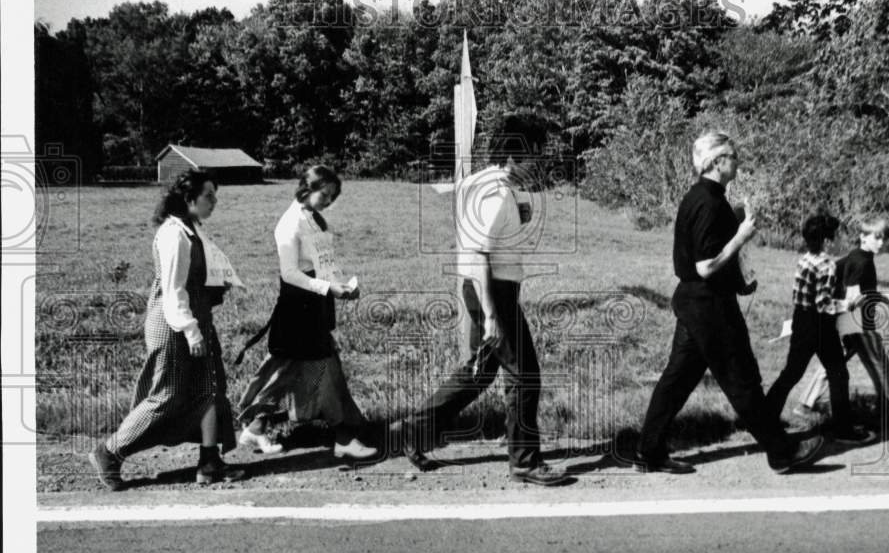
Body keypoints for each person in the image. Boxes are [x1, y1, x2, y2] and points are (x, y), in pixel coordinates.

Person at [635, 131, 825, 474]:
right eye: (733, 156)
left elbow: (706, 258)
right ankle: (782, 453)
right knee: (743, 381)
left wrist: (738, 282)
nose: (738, 161)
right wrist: (742, 235)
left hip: (697, 302)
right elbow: (705, 265)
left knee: (676, 381)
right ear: (717, 161)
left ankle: (648, 453)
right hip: (709, 308)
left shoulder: (703, 197)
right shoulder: (708, 203)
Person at [401, 114, 570, 486]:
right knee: (525, 376)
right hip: (492, 290)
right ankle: (525, 462)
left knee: (479, 373)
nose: (539, 164)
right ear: (515, 154)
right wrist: (493, 314)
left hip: (478, 289)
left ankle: (414, 429)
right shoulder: (495, 193)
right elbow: (479, 255)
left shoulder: (483, 181)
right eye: (536, 156)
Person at [90, 171, 246, 489]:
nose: (214, 202)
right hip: (173, 325)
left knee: (211, 389)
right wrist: (191, 331)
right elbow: (174, 291)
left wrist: (216, 286)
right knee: (167, 396)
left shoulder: (193, 231)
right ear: (190, 199)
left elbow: (195, 281)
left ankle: (209, 461)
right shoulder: (174, 234)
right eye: (209, 196)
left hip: (195, 320)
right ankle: (109, 452)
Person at [235, 166, 376, 460]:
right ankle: (344, 434)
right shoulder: (290, 223)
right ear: (308, 187)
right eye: (325, 194)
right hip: (297, 305)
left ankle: (257, 426)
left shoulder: (313, 219)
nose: (328, 201)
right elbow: (289, 273)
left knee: (291, 369)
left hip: (315, 303)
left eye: (332, 197)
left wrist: (341, 285)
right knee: (319, 366)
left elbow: (324, 262)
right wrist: (328, 288)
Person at [765, 213, 873, 444]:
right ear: (825, 240)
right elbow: (824, 304)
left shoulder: (804, 259)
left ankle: (762, 419)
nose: (836, 240)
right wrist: (850, 304)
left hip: (801, 321)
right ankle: (844, 430)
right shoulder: (827, 264)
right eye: (833, 237)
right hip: (820, 325)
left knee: (791, 373)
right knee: (838, 374)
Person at [796, 217, 889, 428]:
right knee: (879, 364)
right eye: (876, 237)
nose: (881, 242)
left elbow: (848, 284)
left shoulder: (855, 256)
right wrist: (879, 301)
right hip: (857, 322)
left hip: (845, 321)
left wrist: (883, 297)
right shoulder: (862, 262)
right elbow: (854, 297)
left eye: (883, 238)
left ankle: (805, 404)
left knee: (836, 363)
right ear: (862, 237)